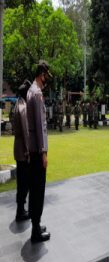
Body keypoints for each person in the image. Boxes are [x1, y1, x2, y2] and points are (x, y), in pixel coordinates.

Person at [27, 60, 51, 242]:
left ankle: (36, 223)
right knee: (38, 189)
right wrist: (43, 152)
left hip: (32, 149)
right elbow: (39, 125)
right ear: (41, 74)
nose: (46, 80)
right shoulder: (36, 94)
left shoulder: (31, 91)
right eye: (46, 76)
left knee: (35, 188)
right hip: (37, 151)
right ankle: (35, 230)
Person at [13, 80, 31, 222]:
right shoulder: (23, 107)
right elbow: (25, 131)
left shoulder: (17, 104)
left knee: (21, 181)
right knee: (24, 182)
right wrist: (28, 150)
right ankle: (20, 211)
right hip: (23, 150)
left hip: (17, 147)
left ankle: (20, 209)